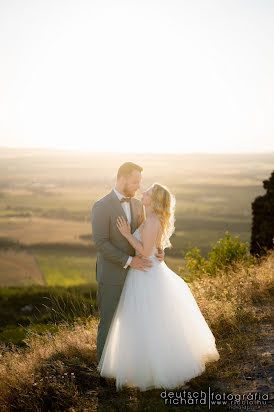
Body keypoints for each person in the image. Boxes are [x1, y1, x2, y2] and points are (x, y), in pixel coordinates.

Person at [97, 182, 220, 391]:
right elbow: (154, 246)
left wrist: (127, 235)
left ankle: (159, 370)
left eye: (148, 193)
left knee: (150, 323)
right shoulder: (151, 219)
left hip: (146, 273)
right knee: (149, 323)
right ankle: (149, 368)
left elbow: (145, 252)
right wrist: (158, 249)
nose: (143, 193)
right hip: (146, 271)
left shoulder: (152, 220)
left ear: (154, 201)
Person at [91, 162, 165, 378]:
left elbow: (146, 236)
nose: (138, 187)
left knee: (136, 323)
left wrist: (158, 251)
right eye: (135, 182)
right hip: (113, 276)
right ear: (122, 179)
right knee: (108, 323)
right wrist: (129, 261)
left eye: (140, 182)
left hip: (138, 277)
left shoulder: (137, 205)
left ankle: (132, 369)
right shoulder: (101, 206)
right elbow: (101, 243)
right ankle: (105, 375)